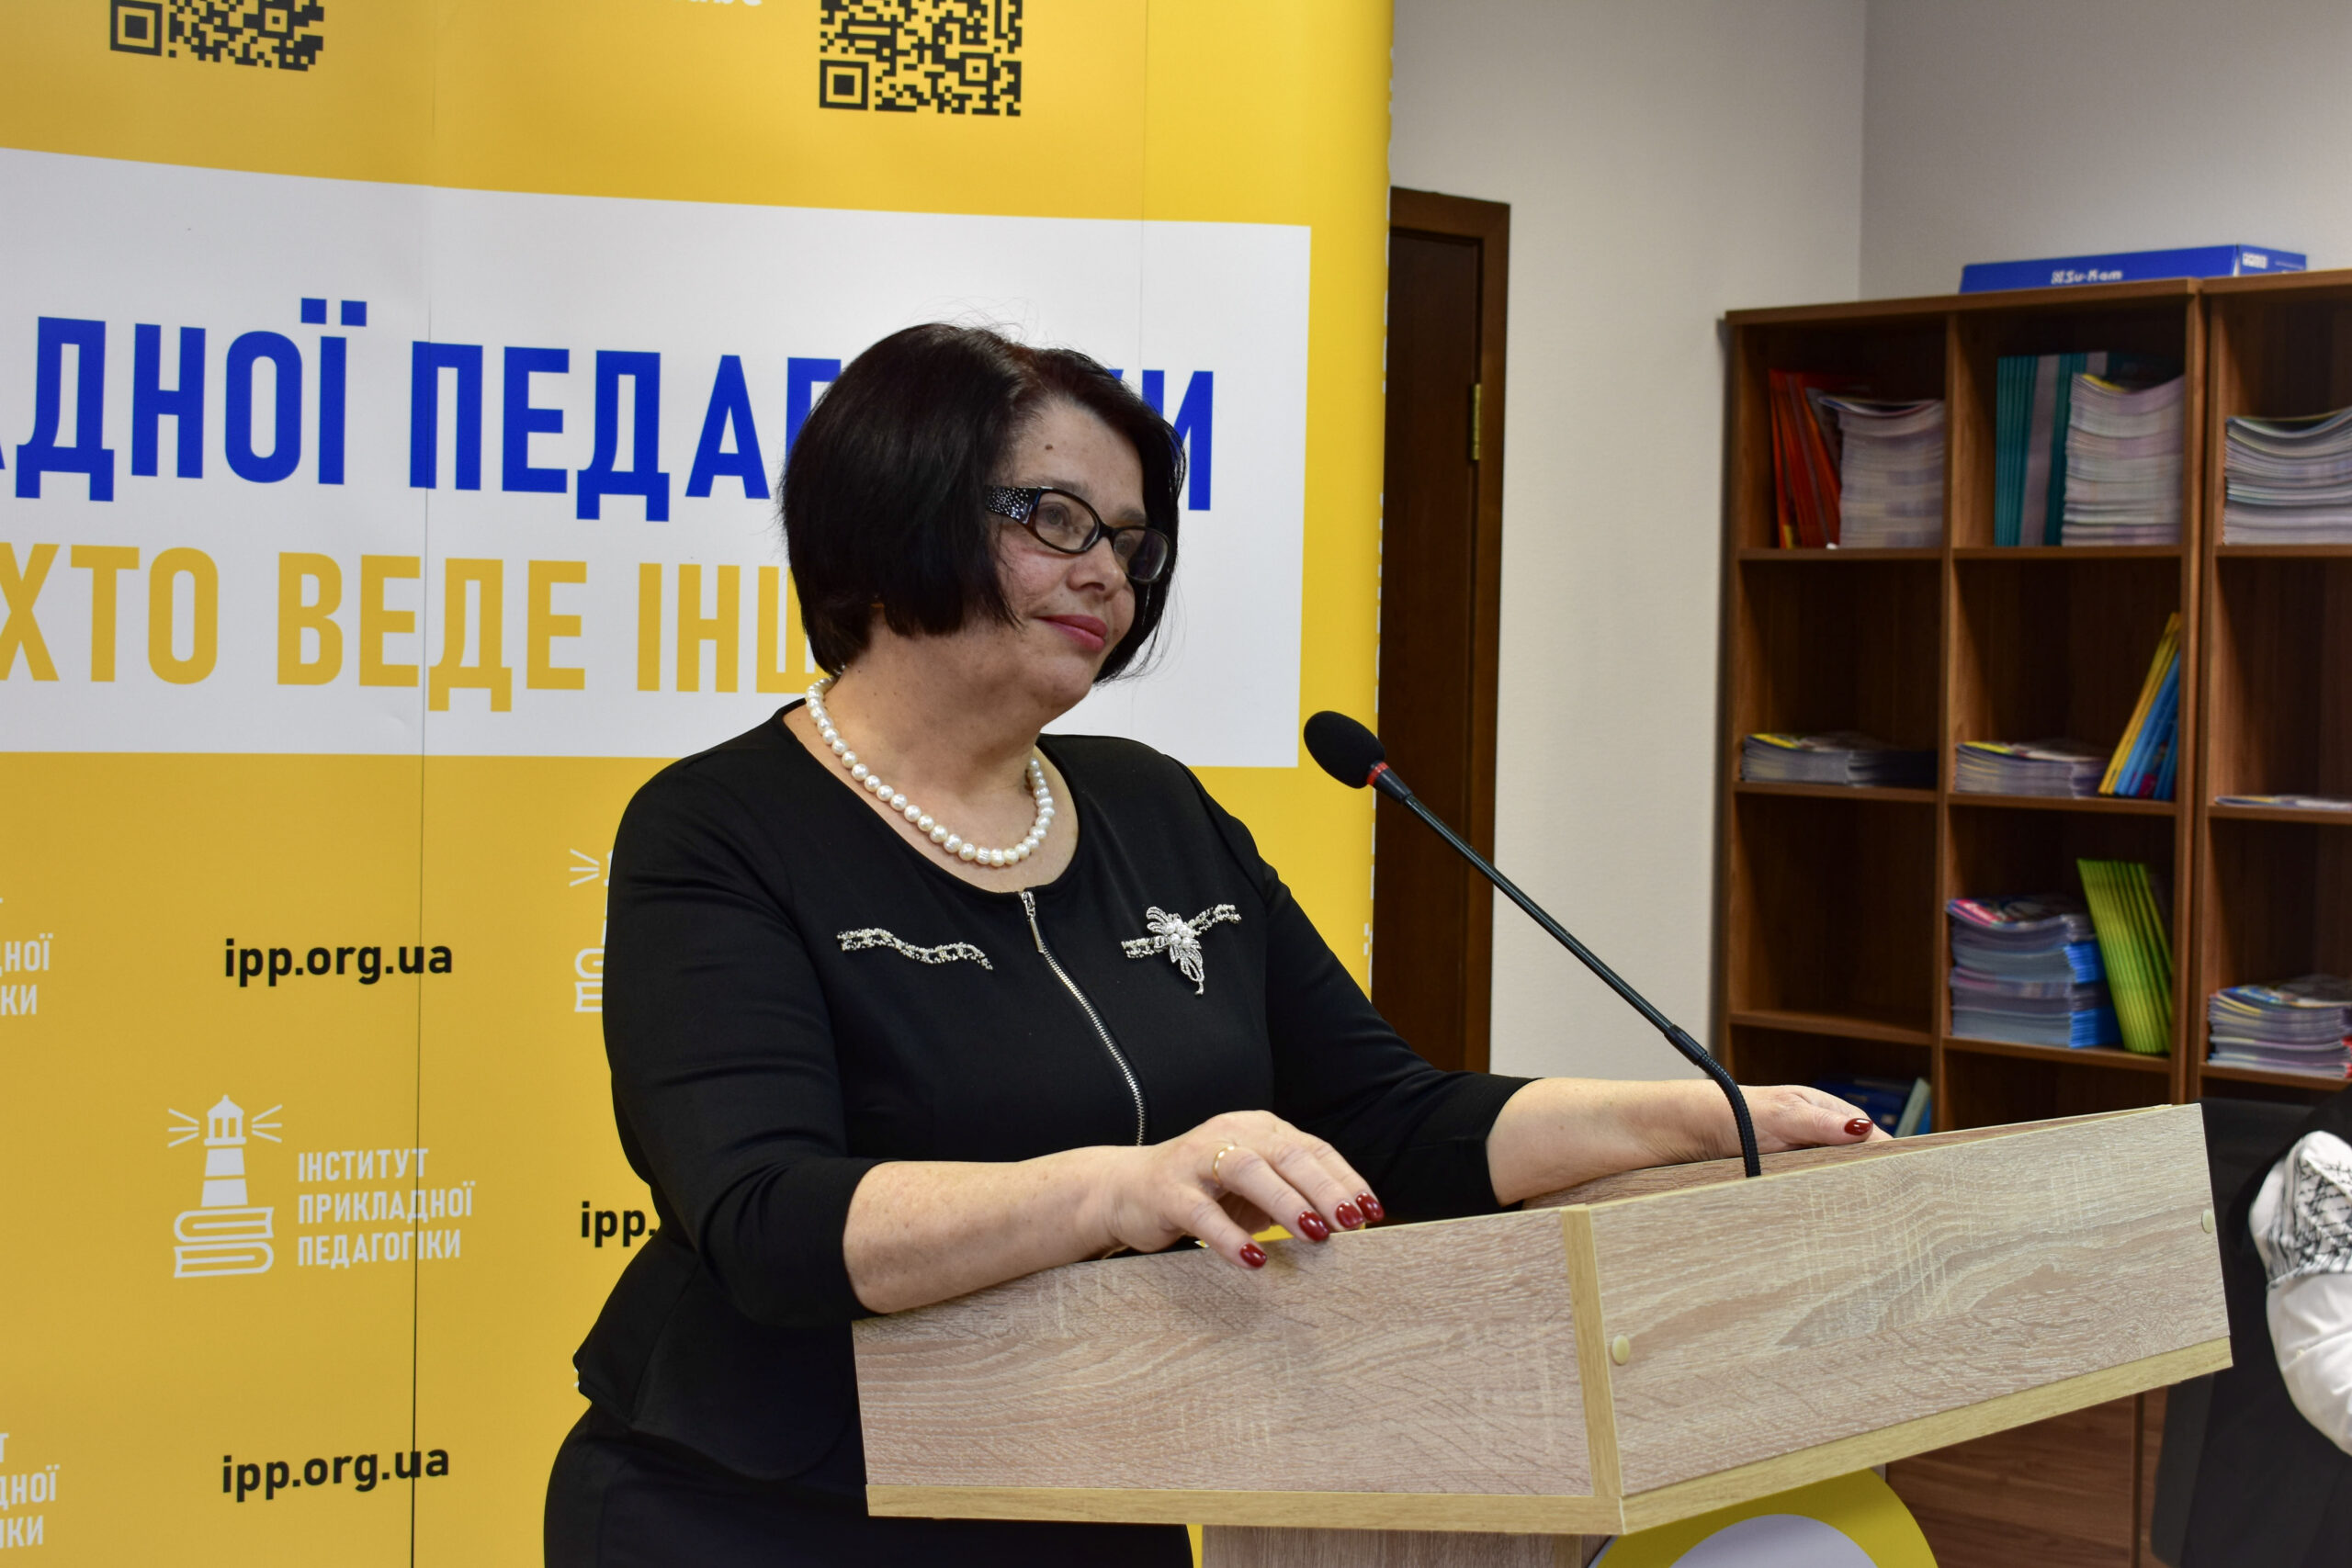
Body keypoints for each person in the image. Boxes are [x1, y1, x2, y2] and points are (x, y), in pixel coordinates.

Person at [544, 322, 1885, 1566]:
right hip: (763, 1511)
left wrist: (1702, 1122)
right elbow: (766, 1220)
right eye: (1055, 519)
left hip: (1097, 1483)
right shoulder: (721, 828)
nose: (1106, 574)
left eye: (1130, 543)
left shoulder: (1154, 809)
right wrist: (1119, 1191)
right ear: (898, 508)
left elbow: (1387, 1122)